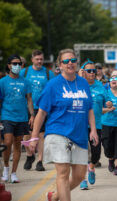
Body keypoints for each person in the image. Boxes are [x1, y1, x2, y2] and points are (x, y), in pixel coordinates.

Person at [28, 49, 99, 201]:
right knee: (63, 173)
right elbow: (41, 113)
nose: (70, 64)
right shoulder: (52, 85)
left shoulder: (84, 83)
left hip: (79, 135)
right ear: (59, 65)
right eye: (66, 61)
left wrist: (93, 130)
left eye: (72, 60)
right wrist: (34, 137)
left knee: (80, 175)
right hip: (57, 132)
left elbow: (90, 108)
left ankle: (54, 197)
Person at [78, 59, 112, 189]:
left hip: (96, 125)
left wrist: (109, 104)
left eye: (94, 70)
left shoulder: (100, 86)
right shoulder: (78, 85)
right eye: (89, 71)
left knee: (96, 153)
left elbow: (107, 102)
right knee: (81, 153)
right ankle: (82, 179)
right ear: (83, 72)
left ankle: (91, 168)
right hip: (80, 125)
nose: (92, 73)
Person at [0, 54, 34, 183]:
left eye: (19, 64)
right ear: (9, 65)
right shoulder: (2, 82)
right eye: (14, 64)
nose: (17, 66)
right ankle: (6, 169)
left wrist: (32, 115)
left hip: (22, 117)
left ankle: (14, 173)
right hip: (7, 116)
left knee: (17, 146)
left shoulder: (26, 81)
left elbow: (29, 99)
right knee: (7, 142)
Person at [20, 50, 55, 171]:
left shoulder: (48, 73)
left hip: (42, 108)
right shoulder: (24, 72)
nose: (39, 61)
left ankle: (40, 161)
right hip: (26, 107)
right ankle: (30, 156)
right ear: (32, 60)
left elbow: (52, 90)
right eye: (37, 59)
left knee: (41, 135)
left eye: (41, 59)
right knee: (27, 134)